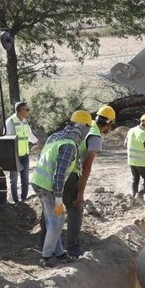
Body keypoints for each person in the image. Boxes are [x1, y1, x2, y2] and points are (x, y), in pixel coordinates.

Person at [32, 110, 94, 267]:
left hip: (39, 182)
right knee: (58, 220)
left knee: (51, 219)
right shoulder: (69, 146)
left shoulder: (56, 137)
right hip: (48, 187)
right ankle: (46, 257)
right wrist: (59, 197)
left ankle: (59, 253)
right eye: (87, 127)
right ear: (83, 127)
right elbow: (59, 175)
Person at [63, 104, 114, 258]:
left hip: (58, 168)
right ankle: (72, 248)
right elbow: (87, 167)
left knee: (52, 206)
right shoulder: (96, 137)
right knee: (75, 209)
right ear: (109, 123)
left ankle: (43, 242)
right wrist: (80, 192)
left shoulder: (87, 125)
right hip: (70, 173)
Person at [5, 101, 33, 203]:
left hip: (25, 154)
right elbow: (7, 140)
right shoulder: (10, 122)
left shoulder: (25, 121)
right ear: (20, 110)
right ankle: (16, 201)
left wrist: (37, 142)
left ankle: (24, 199)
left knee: (25, 178)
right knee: (14, 180)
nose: (28, 111)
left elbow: (29, 135)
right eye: (27, 109)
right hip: (14, 156)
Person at [126, 113, 145, 203]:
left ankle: (134, 197)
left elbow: (125, 144)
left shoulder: (131, 130)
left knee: (135, 179)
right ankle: (140, 195)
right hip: (142, 162)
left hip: (131, 160)